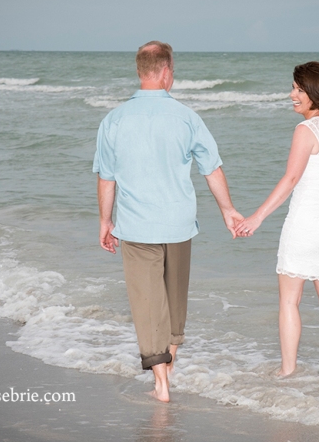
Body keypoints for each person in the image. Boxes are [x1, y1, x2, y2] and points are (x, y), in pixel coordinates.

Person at [94, 41, 243, 402]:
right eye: (172, 70)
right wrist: (228, 210)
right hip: (178, 224)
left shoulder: (113, 120)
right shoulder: (186, 117)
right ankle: (169, 366)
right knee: (175, 303)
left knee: (148, 303)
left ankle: (161, 382)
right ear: (164, 72)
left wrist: (104, 220)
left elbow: (106, 177)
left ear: (140, 71)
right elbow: (212, 168)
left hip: (136, 226)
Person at [235, 62, 319, 382]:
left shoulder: (305, 130)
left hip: (307, 222)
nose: (292, 94)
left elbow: (292, 178)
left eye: (298, 89)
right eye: (293, 88)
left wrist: (257, 217)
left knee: (289, 300)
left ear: (314, 93)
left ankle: (288, 371)